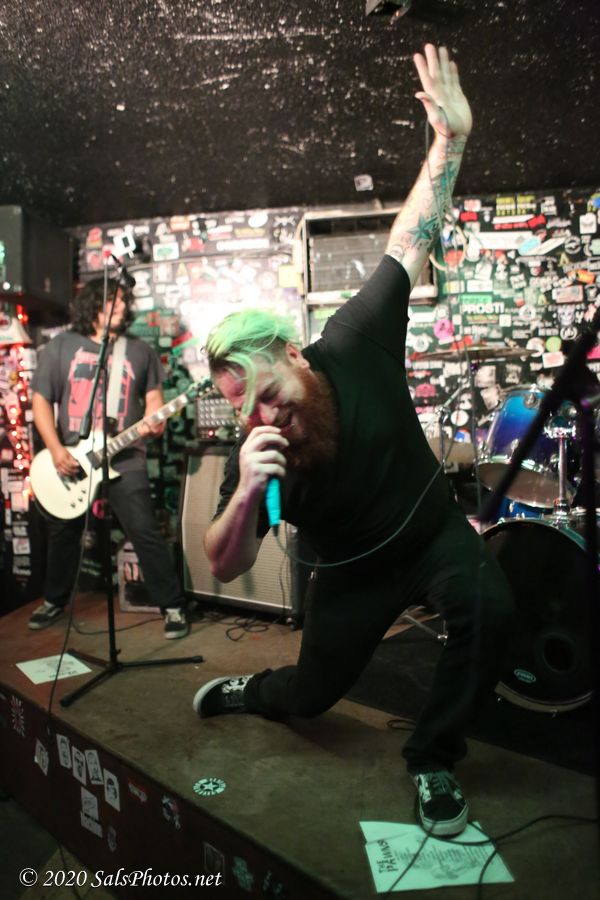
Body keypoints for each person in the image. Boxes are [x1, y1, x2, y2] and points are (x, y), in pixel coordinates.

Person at [192, 45, 514, 837]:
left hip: (431, 533)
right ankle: (255, 692)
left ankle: (433, 757)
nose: (265, 418)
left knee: (491, 607)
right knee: (311, 697)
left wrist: (451, 141)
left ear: (294, 355)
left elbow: (410, 239)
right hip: (351, 572)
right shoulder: (264, 460)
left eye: (270, 394)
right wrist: (246, 491)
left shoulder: (354, 339)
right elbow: (224, 563)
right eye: (245, 411)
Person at [28, 276, 189, 639]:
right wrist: (55, 450)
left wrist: (157, 420)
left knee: (144, 530)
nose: (121, 306)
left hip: (125, 457)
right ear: (93, 303)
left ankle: (173, 605)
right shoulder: (62, 346)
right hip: (72, 458)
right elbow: (41, 402)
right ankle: (54, 600)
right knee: (63, 533)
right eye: (113, 300)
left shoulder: (140, 351)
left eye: (124, 301)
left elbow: (154, 401)